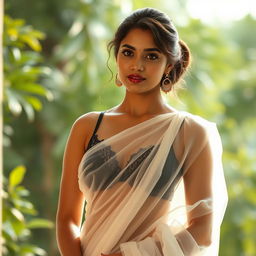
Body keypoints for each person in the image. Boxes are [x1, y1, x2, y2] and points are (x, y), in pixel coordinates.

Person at [56, 7, 228, 256]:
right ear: (117, 58)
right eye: (128, 53)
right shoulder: (87, 127)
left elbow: (203, 229)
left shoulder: (189, 132)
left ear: (169, 65)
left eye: (151, 56)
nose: (137, 65)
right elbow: (67, 220)